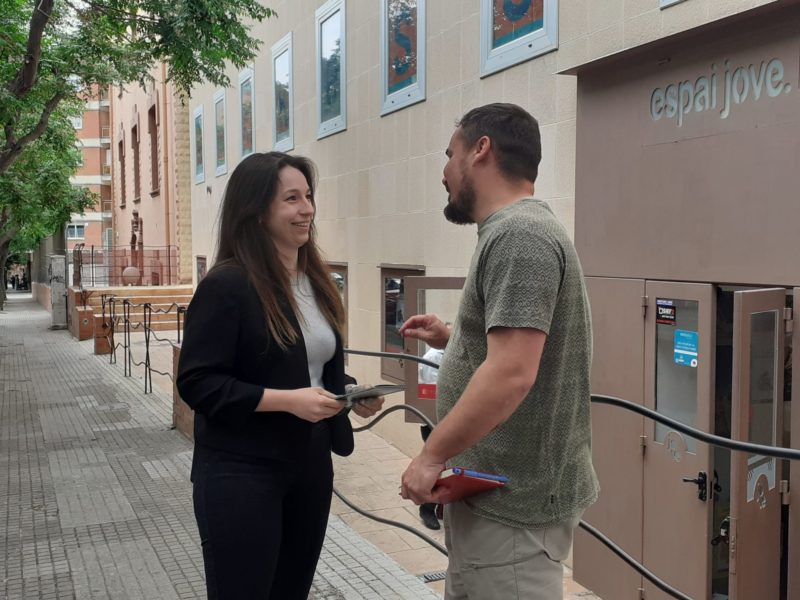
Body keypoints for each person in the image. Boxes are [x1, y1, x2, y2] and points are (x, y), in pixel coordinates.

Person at [399, 103, 599, 600]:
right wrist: (455, 340)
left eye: (450, 154)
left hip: (512, 514)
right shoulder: (515, 232)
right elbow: (517, 349)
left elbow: (512, 373)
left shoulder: (520, 234)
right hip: (491, 501)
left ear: (481, 150)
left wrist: (430, 456)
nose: (444, 171)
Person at [176, 152, 384, 600]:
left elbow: (305, 366)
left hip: (310, 466)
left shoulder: (315, 281)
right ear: (256, 211)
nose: (307, 209)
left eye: (308, 196)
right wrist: (288, 401)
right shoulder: (226, 285)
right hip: (241, 472)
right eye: (292, 198)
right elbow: (197, 382)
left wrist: (347, 393)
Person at [418, 346, 445, 530]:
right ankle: (427, 508)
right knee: (437, 467)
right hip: (432, 422)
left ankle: (442, 506)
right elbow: (432, 392)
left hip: (448, 421)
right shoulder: (434, 356)